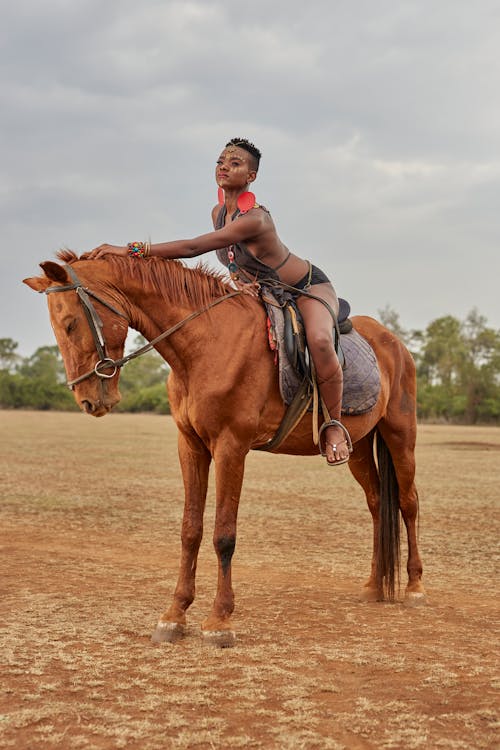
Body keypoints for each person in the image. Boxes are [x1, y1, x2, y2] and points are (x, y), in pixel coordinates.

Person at [89, 138, 351, 465]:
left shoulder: (256, 218)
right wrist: (241, 281)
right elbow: (233, 260)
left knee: (321, 340)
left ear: (251, 176)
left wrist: (129, 250)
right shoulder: (218, 212)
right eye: (220, 161)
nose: (224, 167)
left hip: (305, 288)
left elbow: (191, 248)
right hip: (267, 290)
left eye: (235, 163)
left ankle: (335, 426)